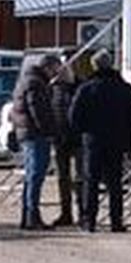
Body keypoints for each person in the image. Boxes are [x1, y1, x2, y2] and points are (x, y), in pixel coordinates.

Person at [69, 50, 131, 233]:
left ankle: (89, 222)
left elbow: (74, 116)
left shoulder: (86, 88)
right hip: (117, 140)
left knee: (91, 181)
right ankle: (116, 222)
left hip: (92, 140)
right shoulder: (125, 89)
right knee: (115, 183)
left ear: (94, 66)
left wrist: (83, 131)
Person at [9, 54, 60, 231]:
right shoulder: (36, 83)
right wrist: (49, 131)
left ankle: (27, 216)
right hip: (35, 134)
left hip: (27, 132)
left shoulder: (26, 80)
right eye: (56, 68)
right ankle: (32, 216)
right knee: (36, 176)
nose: (57, 73)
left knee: (31, 175)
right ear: (48, 67)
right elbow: (38, 111)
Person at [48, 60, 82, 227]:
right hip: (59, 138)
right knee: (63, 178)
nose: (62, 72)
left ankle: (83, 213)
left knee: (80, 177)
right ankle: (66, 213)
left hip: (77, 139)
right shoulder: (52, 89)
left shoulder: (81, 87)